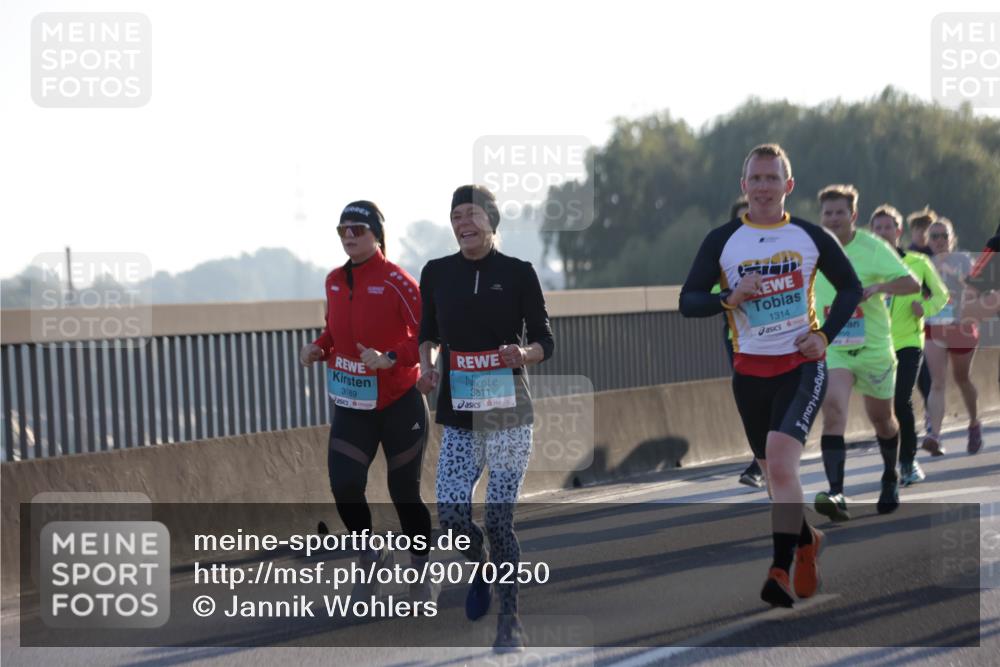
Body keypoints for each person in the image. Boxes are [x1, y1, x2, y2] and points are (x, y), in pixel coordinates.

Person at [680, 144, 862, 608]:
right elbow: (688, 300)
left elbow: (851, 289)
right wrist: (730, 296)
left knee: (781, 462)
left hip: (801, 366)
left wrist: (824, 336)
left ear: (788, 185)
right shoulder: (722, 240)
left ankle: (779, 571)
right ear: (744, 186)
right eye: (755, 179)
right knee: (772, 477)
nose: (763, 187)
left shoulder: (811, 236)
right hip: (749, 373)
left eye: (771, 178)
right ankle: (808, 541)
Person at [417, 185, 554, 652]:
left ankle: (510, 618)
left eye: (472, 213)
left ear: (492, 220)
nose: (463, 222)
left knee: (498, 518)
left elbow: (545, 342)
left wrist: (523, 353)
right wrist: (428, 365)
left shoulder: (518, 273)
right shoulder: (437, 273)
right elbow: (428, 333)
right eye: (456, 215)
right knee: (452, 513)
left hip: (509, 412)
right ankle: (479, 567)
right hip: (459, 413)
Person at [299, 200, 436, 603]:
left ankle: (421, 567)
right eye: (342, 230)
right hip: (353, 405)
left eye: (357, 229)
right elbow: (334, 333)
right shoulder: (333, 281)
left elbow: (428, 333)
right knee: (344, 484)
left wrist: (389, 357)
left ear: (376, 234)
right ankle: (370, 552)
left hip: (399, 402)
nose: (348, 236)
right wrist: (317, 348)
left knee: (403, 491)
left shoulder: (397, 280)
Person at [812, 187, 919, 522]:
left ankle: (890, 476)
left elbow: (912, 282)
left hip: (873, 347)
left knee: (882, 421)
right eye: (827, 213)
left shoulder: (873, 248)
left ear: (853, 216)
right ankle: (837, 492)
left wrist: (878, 288)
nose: (832, 219)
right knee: (833, 410)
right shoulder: (813, 250)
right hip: (834, 347)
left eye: (839, 213)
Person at [869, 205, 948, 485]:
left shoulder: (917, 263)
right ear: (870, 232)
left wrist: (923, 307)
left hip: (907, 342)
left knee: (902, 399)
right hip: (875, 344)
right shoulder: (866, 266)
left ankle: (908, 462)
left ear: (898, 231)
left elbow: (942, 296)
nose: (882, 232)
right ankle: (891, 463)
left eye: (888, 227)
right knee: (882, 409)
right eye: (877, 228)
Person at [923, 217, 983, 455]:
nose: (939, 241)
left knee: (962, 378)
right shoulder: (922, 263)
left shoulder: (963, 260)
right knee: (937, 382)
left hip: (960, 325)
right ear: (928, 240)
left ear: (952, 238)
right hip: (933, 326)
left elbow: (976, 287)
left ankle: (974, 422)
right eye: (934, 236)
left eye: (943, 236)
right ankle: (934, 436)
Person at [725, 196, 766, 490]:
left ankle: (765, 462)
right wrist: (732, 294)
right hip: (740, 340)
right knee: (753, 402)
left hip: (782, 340)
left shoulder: (778, 246)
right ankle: (760, 461)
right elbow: (709, 294)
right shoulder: (723, 252)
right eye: (741, 219)